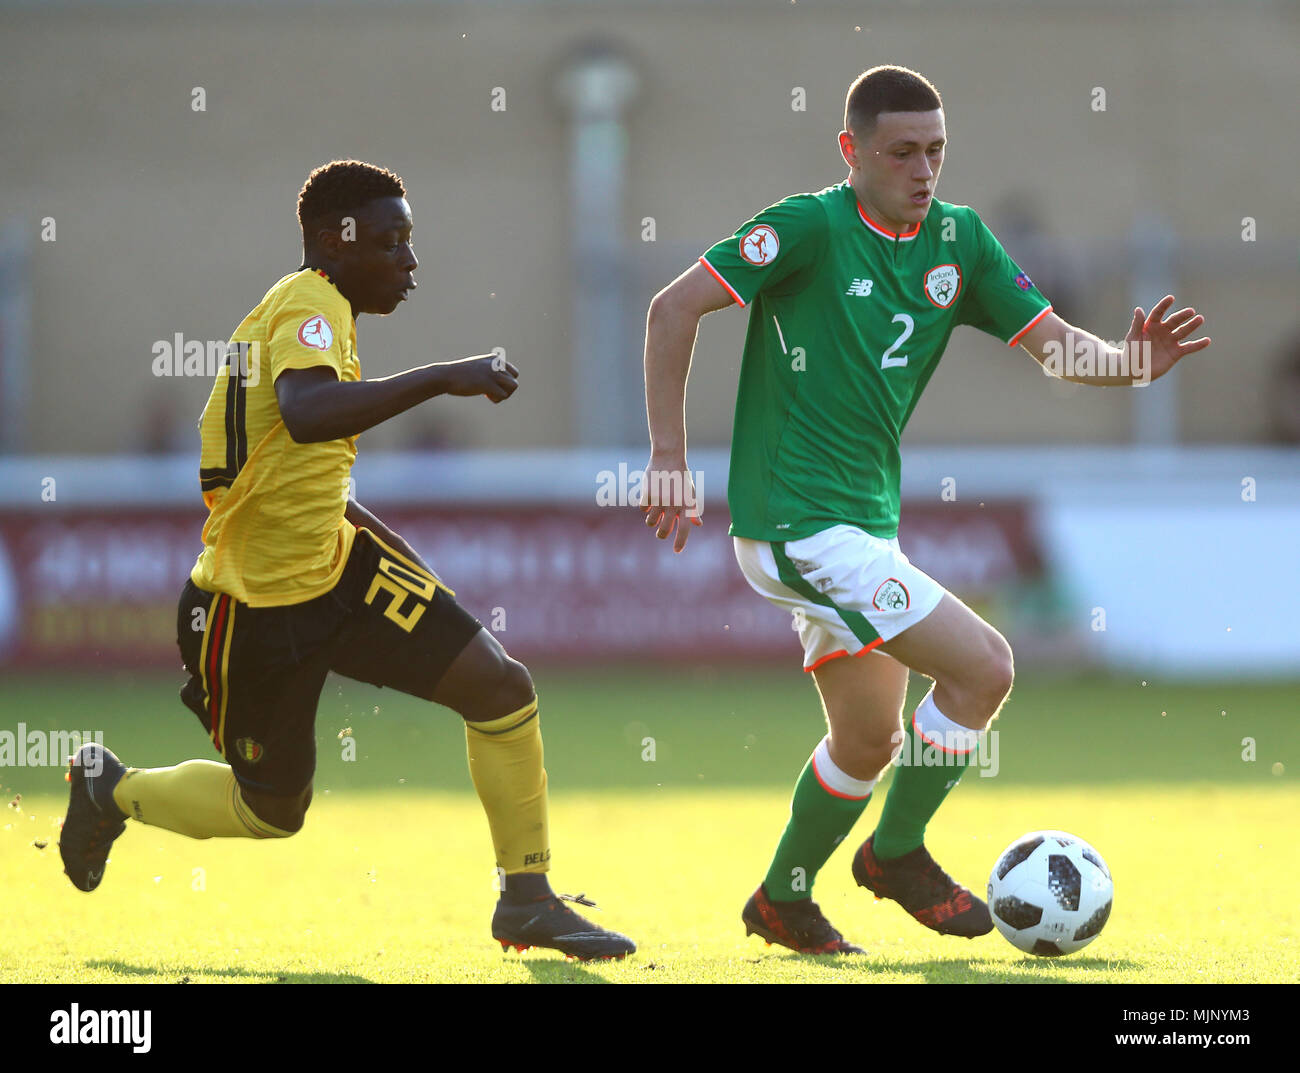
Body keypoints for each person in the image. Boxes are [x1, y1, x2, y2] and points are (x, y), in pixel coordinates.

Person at [640, 66, 1209, 953]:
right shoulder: (809, 226)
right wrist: (670, 459)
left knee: (867, 739)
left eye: (936, 151)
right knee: (984, 667)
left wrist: (1129, 364)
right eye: (902, 151)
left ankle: (783, 899)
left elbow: (1059, 350)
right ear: (851, 151)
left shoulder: (961, 241)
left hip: (860, 526)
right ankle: (897, 853)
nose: (923, 168)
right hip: (798, 524)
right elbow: (672, 309)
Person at [59, 159, 635, 962]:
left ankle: (527, 900)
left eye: (410, 241)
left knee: (500, 687)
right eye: (394, 242)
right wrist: (442, 377)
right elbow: (305, 414)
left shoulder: (323, 310)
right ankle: (110, 790)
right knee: (271, 811)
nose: (410, 261)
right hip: (252, 607)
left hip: (337, 566)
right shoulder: (309, 301)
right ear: (338, 238)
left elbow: (297, 467)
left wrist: (392, 548)